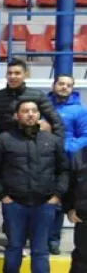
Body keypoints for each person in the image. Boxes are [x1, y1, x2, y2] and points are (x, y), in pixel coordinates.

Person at [0, 98, 68, 273]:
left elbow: (64, 170)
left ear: (39, 115)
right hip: (15, 204)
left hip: (45, 204)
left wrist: (57, 196)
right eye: (25, 111)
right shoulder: (4, 140)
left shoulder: (53, 141)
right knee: (14, 247)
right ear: (17, 116)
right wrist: (4, 196)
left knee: (40, 250)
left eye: (34, 110)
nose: (30, 114)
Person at [0, 59, 64, 256]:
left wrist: (55, 147)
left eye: (17, 73)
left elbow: (57, 123)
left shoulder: (36, 96)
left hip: (30, 154)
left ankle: (23, 240)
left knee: (27, 198)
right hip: (3, 153)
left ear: (26, 75)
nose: (12, 76)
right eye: (9, 73)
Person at [47, 74, 87, 255]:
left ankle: (54, 240)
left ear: (72, 89)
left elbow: (85, 136)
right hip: (44, 161)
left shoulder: (79, 111)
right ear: (53, 85)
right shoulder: (43, 106)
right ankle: (39, 238)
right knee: (43, 201)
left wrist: (66, 147)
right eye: (61, 84)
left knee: (58, 202)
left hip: (67, 162)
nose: (64, 87)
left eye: (68, 85)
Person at [64, 144, 87, 273]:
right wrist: (70, 208)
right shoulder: (79, 155)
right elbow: (70, 185)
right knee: (81, 255)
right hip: (84, 214)